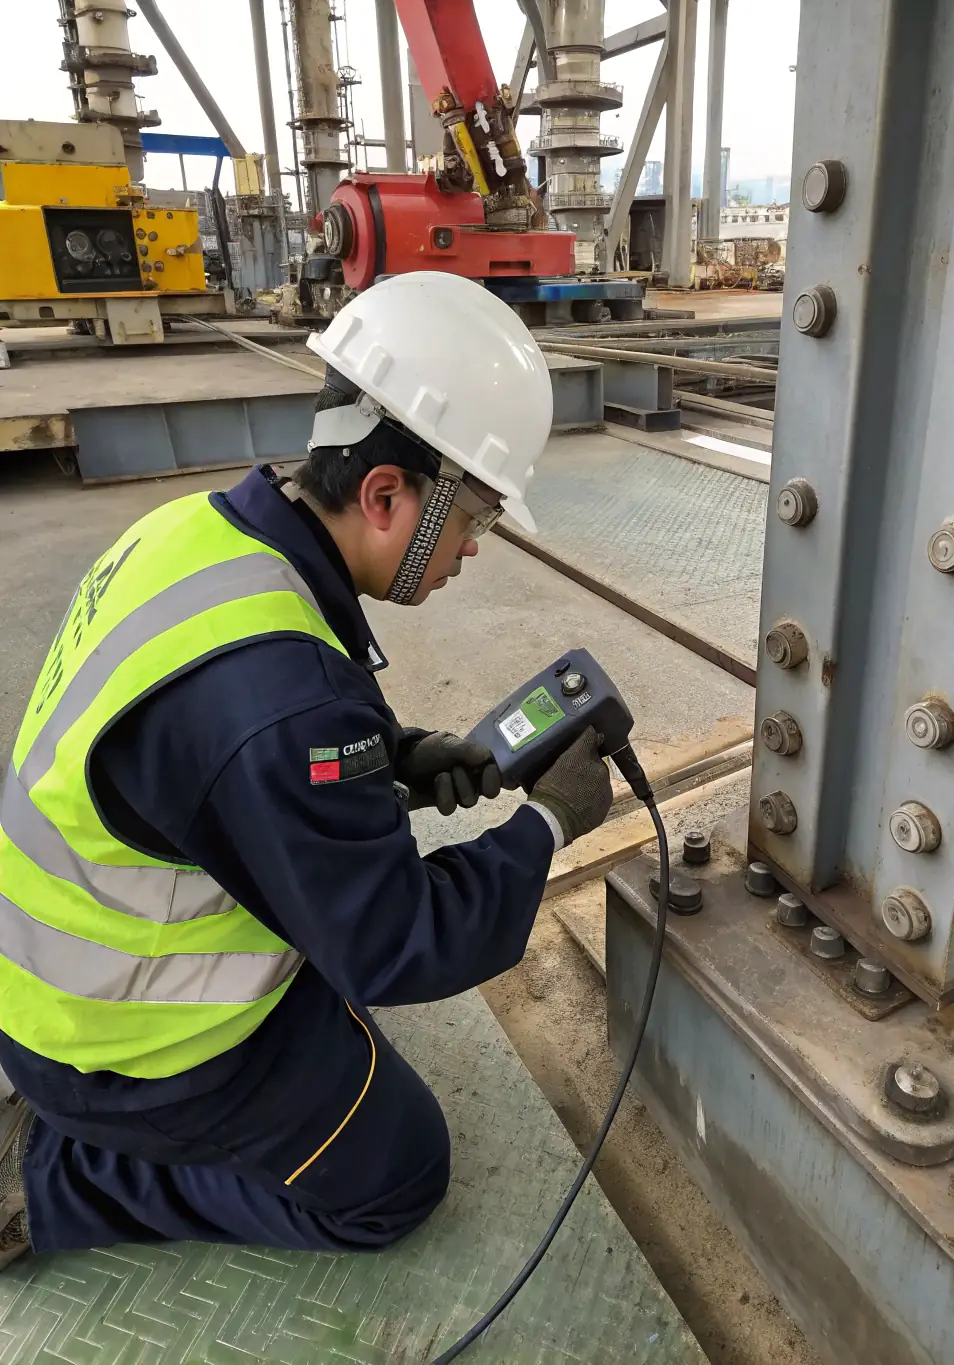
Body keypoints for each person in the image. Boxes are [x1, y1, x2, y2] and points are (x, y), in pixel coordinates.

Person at [0, 272, 613, 1266]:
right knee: (396, 1176)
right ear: (385, 494)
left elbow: (208, 763)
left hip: (46, 975)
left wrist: (400, 760)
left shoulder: (199, 533)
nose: (473, 550)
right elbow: (394, 944)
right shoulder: (284, 704)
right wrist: (544, 826)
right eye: (478, 520)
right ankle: (49, 1184)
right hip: (116, 1040)